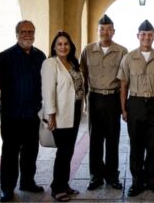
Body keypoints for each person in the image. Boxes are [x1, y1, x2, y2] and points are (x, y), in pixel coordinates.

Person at [0, 20, 46, 202]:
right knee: (10, 152)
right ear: (17, 34)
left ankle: (27, 182)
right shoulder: (5, 56)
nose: (27, 35)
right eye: (23, 32)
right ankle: (7, 188)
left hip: (32, 114)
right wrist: (12, 91)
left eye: (31, 32)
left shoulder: (40, 56)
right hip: (11, 114)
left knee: (31, 151)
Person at [117, 20, 154, 197]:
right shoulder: (128, 58)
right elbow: (124, 84)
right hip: (136, 103)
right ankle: (137, 181)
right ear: (138, 36)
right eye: (143, 34)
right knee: (136, 144)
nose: (146, 37)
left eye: (150, 34)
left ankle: (152, 180)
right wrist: (123, 108)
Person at [80, 14, 128, 191]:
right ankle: (95, 176)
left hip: (113, 98)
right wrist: (85, 101)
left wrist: (123, 106)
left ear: (113, 31)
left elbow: (125, 80)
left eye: (109, 29)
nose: (105, 32)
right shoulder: (88, 50)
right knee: (95, 139)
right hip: (94, 97)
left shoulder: (122, 51)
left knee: (113, 139)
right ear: (97, 30)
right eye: (102, 29)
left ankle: (112, 176)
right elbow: (83, 75)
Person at [41, 31, 84, 201]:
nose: (63, 47)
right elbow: (48, 91)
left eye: (66, 44)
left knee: (69, 150)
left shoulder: (72, 63)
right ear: (54, 47)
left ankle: (63, 183)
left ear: (70, 46)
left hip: (74, 110)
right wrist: (51, 115)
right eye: (59, 44)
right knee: (63, 151)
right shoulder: (50, 63)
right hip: (60, 113)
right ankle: (57, 187)